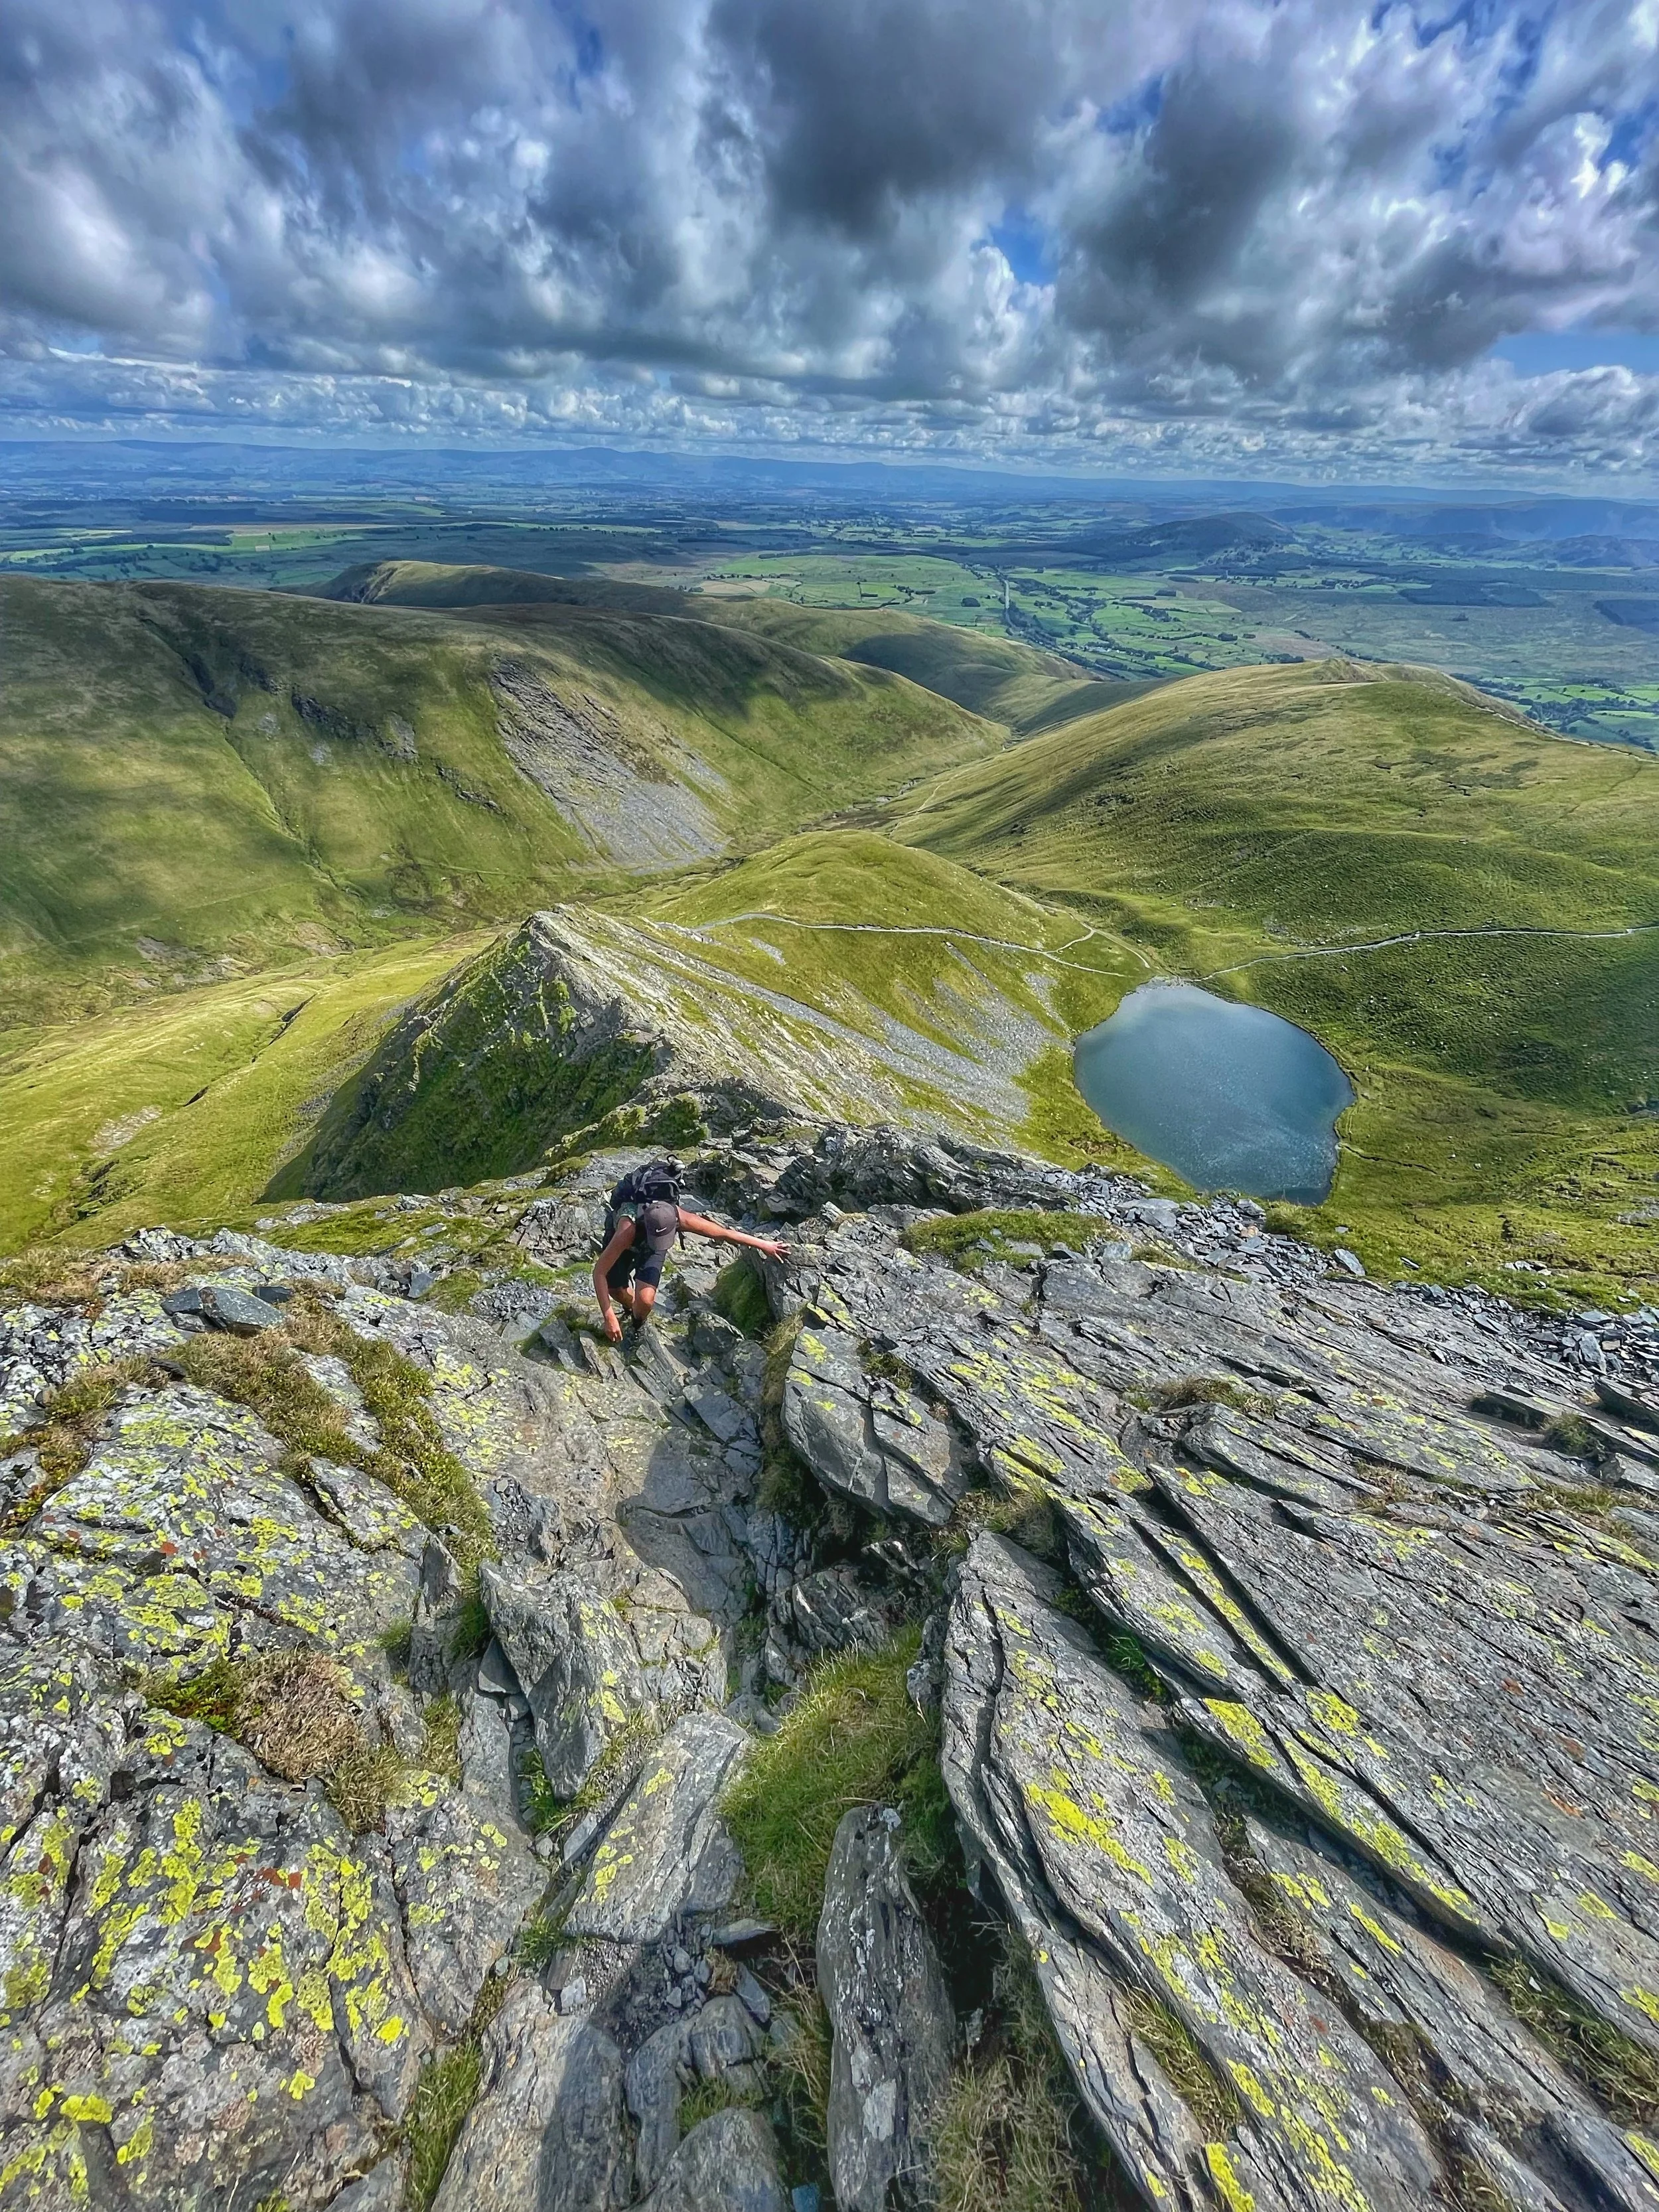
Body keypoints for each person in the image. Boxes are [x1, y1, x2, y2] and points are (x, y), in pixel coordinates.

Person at [592, 1158, 790, 1343]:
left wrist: (764, 1245)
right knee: (615, 1290)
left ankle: (636, 1325)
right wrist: (608, 1316)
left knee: (646, 1301)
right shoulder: (627, 1228)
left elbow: (723, 1233)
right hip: (627, 1242)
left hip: (649, 1247)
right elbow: (599, 1272)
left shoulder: (679, 1218)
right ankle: (627, 1306)